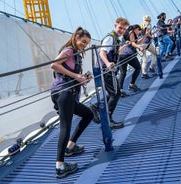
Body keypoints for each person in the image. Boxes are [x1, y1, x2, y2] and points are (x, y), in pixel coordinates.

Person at [50, 27, 93, 178]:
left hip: (65, 94)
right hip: (64, 93)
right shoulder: (69, 50)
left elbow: (68, 73)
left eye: (87, 43)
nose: (84, 45)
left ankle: (71, 146)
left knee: (88, 114)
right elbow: (54, 65)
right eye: (83, 41)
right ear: (76, 37)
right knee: (65, 127)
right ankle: (60, 166)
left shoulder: (75, 54)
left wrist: (81, 78)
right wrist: (76, 76)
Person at [90, 17, 130, 129]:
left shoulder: (115, 39)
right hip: (107, 69)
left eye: (124, 29)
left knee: (114, 92)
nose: (121, 30)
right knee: (115, 93)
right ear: (115, 26)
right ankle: (108, 120)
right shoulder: (110, 38)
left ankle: (95, 107)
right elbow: (102, 53)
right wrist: (108, 63)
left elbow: (114, 51)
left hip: (109, 69)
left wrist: (125, 45)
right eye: (120, 28)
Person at [118, 24, 147, 96]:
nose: (139, 31)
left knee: (123, 73)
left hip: (121, 55)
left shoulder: (130, 33)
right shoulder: (131, 33)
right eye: (139, 30)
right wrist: (139, 47)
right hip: (127, 54)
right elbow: (133, 43)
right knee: (138, 68)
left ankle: (120, 90)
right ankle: (132, 84)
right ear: (136, 29)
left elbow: (137, 42)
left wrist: (145, 36)